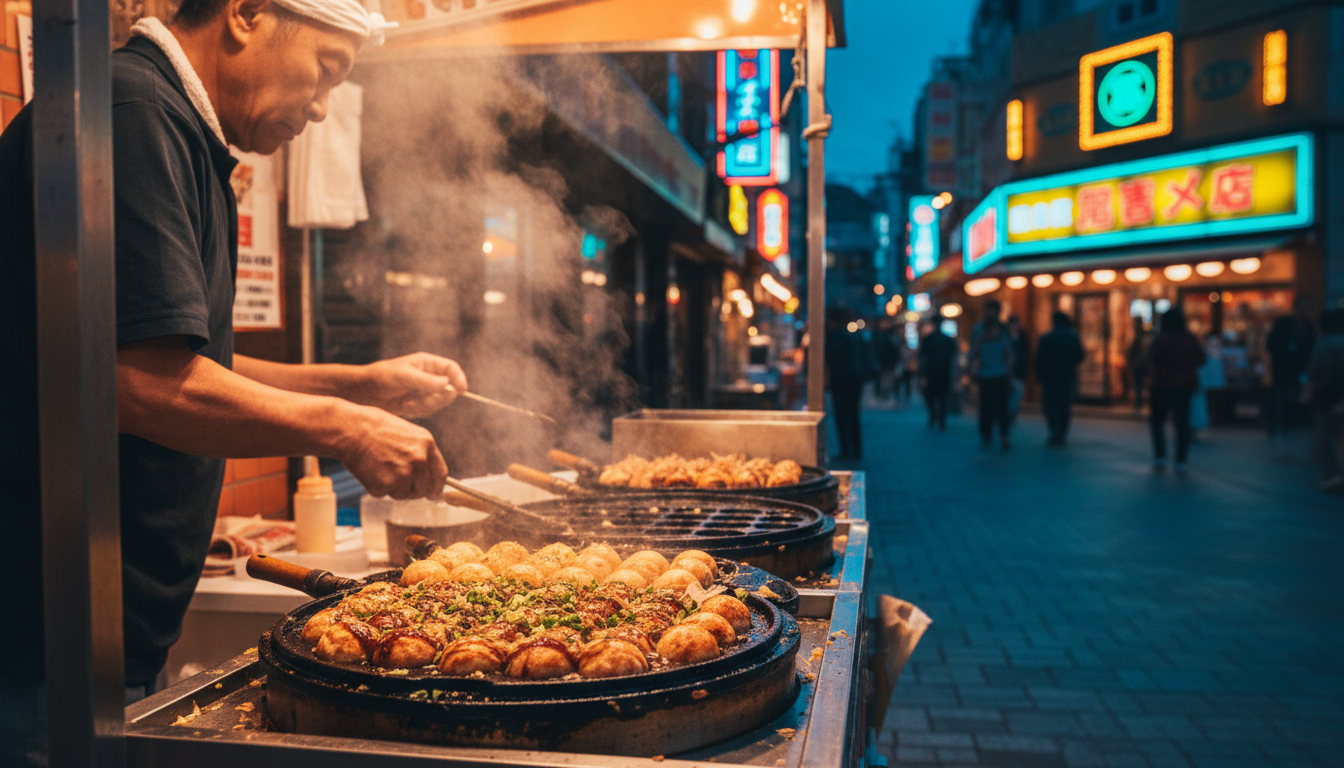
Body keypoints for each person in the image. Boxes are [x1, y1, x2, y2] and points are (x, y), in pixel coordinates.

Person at [0, 0, 464, 763]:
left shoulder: (175, 127)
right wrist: (345, 428)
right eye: (326, 70)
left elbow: (189, 359)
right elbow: (134, 383)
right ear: (247, 14)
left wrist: (362, 387)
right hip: (43, 647)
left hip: (105, 634)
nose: (322, 108)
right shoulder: (135, 115)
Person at [1148, 308, 1206, 474]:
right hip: (1184, 386)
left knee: (1157, 421)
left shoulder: (1161, 339)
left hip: (1162, 385)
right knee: (1182, 423)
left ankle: (1160, 456)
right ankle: (1181, 460)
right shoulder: (1189, 339)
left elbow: (1152, 360)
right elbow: (1201, 359)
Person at [825, 308, 875, 460]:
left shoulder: (835, 336)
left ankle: (846, 449)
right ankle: (856, 449)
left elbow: (832, 358)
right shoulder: (857, 336)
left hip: (841, 380)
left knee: (841, 415)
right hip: (856, 379)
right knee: (853, 415)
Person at [1306, 308, 1344, 491]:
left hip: (1329, 395)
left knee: (1325, 438)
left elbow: (1317, 371)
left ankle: (1334, 474)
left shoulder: (1325, 343)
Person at [969, 299, 1015, 449]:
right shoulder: (978, 329)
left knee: (1002, 407)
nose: (990, 313)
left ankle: (1004, 435)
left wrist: (1010, 374)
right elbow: (973, 352)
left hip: (1000, 373)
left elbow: (1009, 353)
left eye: (992, 310)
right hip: (985, 374)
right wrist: (973, 368)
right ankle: (986, 435)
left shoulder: (1003, 329)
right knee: (985, 407)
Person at [1265, 303, 1316, 439]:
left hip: (1297, 368)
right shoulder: (1284, 324)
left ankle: (1289, 423)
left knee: (1293, 395)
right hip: (1282, 367)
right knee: (1280, 394)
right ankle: (1276, 423)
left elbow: (1311, 346)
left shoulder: (1308, 326)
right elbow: (1270, 344)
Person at [1035, 311, 1085, 446]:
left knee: (1049, 405)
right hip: (1067, 377)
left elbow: (1039, 359)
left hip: (1050, 377)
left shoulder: (1046, 338)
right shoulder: (1072, 337)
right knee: (1064, 407)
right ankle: (1061, 433)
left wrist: (1040, 376)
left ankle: (1054, 430)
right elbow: (1080, 356)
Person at [918, 320, 957, 430]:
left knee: (930, 395)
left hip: (931, 372)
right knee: (943, 397)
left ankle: (933, 416)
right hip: (944, 371)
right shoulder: (948, 340)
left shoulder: (928, 339)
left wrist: (921, 373)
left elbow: (922, 358)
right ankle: (941, 419)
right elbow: (954, 357)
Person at [1006, 315, 1029, 424]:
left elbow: (1026, 355)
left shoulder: (1023, 338)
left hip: (1019, 372)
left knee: (1016, 397)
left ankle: (1012, 415)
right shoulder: (1004, 337)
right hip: (1006, 372)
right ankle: (1007, 416)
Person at [1127, 317, 1152, 412]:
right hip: (1145, 363)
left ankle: (1139, 403)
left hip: (1139, 363)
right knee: (1145, 384)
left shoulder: (1138, 336)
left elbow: (1133, 350)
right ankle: (1145, 402)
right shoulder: (1146, 335)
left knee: (1139, 385)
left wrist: (1130, 359)